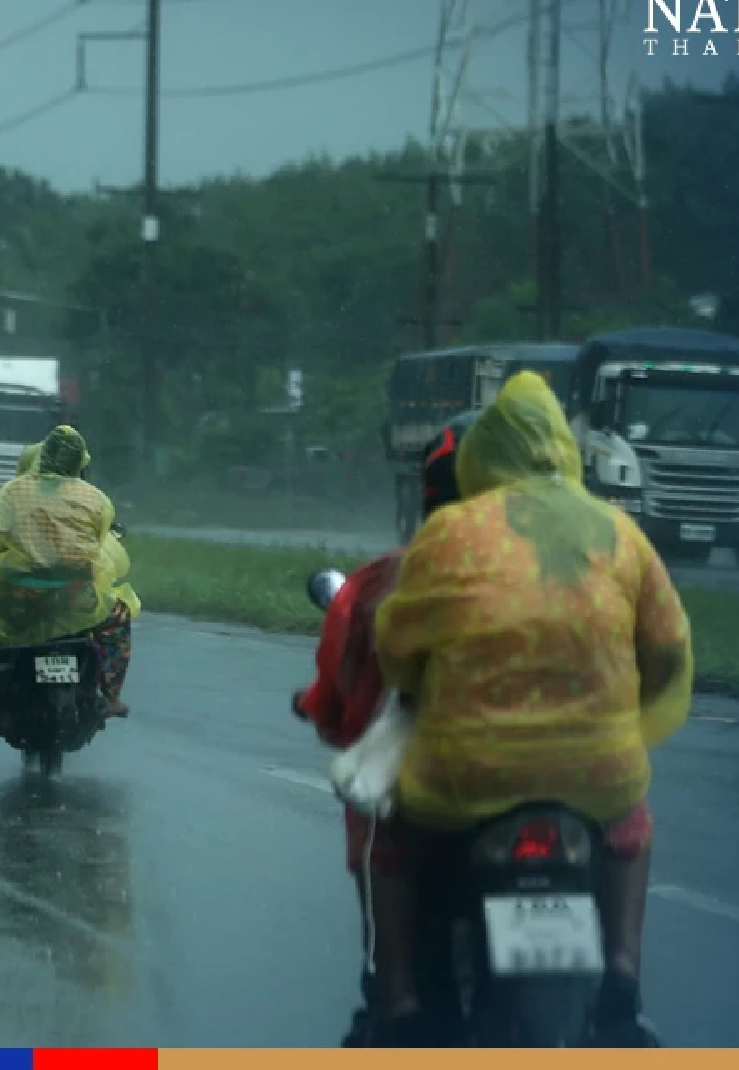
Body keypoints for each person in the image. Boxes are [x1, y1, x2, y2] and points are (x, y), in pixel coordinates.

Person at [369, 371, 693, 1047]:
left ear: (484, 456)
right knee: (631, 828)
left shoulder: (450, 532)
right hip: (594, 776)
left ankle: (397, 999)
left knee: (394, 838)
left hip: (466, 773)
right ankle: (624, 981)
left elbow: (398, 645)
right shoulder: (619, 532)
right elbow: (666, 645)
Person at [293, 412, 475, 1047]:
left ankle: (395, 996)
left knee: (380, 828)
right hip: (574, 782)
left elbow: (343, 703)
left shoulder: (386, 582)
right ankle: (621, 985)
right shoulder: (584, 570)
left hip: (444, 791)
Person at [0, 425, 135, 718]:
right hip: (76, 598)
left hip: (15, 598)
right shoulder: (96, 498)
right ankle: (112, 696)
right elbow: (101, 542)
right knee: (119, 617)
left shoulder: (15, 491)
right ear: (80, 461)